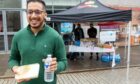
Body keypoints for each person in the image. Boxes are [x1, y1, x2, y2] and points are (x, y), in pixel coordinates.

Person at [8, 0, 67, 84]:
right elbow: (13, 59)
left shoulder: (55, 37)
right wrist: (15, 67)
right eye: (30, 12)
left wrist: (57, 66)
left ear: (45, 15)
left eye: (37, 12)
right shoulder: (18, 36)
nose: (33, 16)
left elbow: (64, 62)